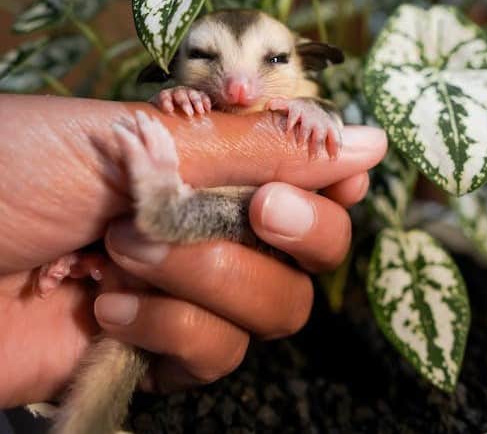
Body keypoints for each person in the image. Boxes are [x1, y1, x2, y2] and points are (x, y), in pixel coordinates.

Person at [0, 94, 387, 407]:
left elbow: (326, 117)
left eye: (273, 60)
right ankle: (125, 237)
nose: (239, 87)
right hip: (134, 241)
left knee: (250, 217)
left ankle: (144, 227)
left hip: (178, 241)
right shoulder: (190, 101)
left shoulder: (299, 99)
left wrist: (316, 114)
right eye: (207, 57)